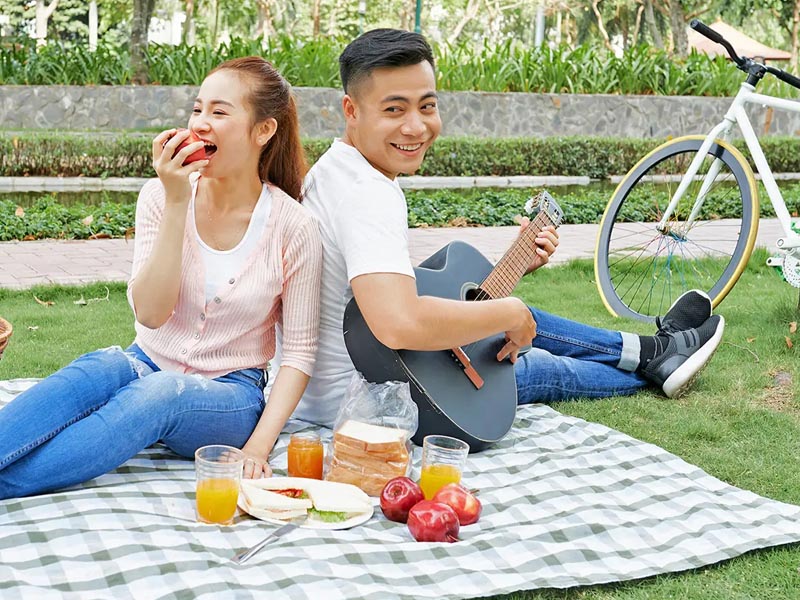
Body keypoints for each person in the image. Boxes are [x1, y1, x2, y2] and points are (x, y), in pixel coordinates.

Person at [273, 29, 724, 430]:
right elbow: (399, 323)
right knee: (537, 365)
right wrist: (509, 313)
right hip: (376, 394)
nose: (416, 126)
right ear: (351, 110)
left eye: (427, 106)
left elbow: (382, 293)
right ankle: (657, 363)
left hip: (350, 378)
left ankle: (651, 350)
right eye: (394, 109)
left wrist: (515, 274)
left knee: (504, 313)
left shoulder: (335, 168)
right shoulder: (367, 193)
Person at [0, 56, 322, 499]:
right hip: (146, 361)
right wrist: (176, 202)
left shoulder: (294, 226)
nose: (200, 123)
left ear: (263, 130)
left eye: (219, 112)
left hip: (230, 395)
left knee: (160, 390)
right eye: (197, 109)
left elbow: (299, 354)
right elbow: (151, 315)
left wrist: (257, 448)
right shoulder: (160, 195)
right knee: (96, 369)